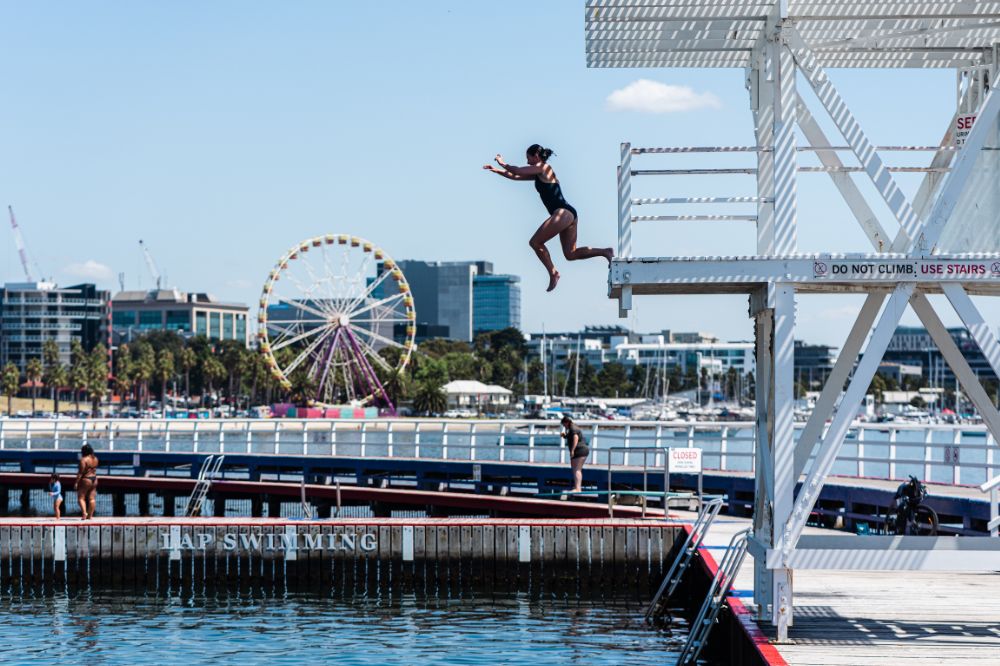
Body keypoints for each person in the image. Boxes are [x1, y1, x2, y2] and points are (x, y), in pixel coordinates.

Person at [484, 144, 613, 292]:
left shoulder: (544, 168)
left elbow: (517, 170)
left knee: (535, 242)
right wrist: (496, 171)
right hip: (568, 214)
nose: (527, 162)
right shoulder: (538, 173)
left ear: (536, 157)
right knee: (570, 254)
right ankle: (606, 252)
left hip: (562, 212)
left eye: (528, 158)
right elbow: (515, 176)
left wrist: (502, 162)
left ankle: (553, 273)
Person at [560, 414, 590, 493]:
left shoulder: (573, 428)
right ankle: (577, 487)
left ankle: (577, 488)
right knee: (577, 470)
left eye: (564, 424)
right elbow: (571, 436)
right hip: (582, 450)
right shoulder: (572, 428)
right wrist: (565, 436)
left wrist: (572, 450)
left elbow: (575, 438)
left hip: (579, 450)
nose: (564, 426)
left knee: (577, 470)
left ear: (566, 422)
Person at [74, 444, 99, 520]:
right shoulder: (95, 459)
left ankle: (84, 513)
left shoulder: (83, 460)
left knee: (81, 498)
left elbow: (80, 473)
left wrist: (76, 482)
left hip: (86, 479)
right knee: (92, 498)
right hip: (94, 479)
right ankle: (90, 516)